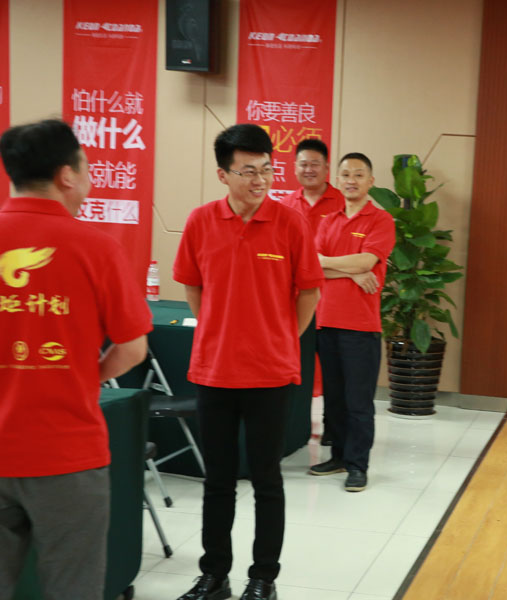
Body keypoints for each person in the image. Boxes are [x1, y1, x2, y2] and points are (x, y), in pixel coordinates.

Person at [0, 119, 151, 599]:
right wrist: (87, 377)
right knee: (72, 588)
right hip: (67, 453)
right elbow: (133, 348)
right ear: (67, 174)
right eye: (86, 165)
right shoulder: (97, 248)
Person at [173, 124, 322, 600]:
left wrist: (279, 338)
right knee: (217, 481)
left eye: (267, 170)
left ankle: (263, 578)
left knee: (266, 481)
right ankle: (214, 575)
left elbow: (309, 291)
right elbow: (192, 285)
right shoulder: (200, 221)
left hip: (270, 373)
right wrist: (219, 329)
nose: (260, 180)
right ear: (223, 174)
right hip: (214, 371)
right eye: (248, 171)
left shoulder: (290, 222)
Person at [307, 152, 395, 492]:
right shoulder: (328, 220)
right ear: (337, 180)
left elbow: (367, 261)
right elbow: (313, 265)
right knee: (334, 399)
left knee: (358, 403)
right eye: (345, 174)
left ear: (370, 181)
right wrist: (352, 271)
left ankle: (358, 466)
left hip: (361, 326)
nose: (351, 180)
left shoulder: (380, 220)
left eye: (358, 175)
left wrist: (348, 266)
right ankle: (339, 457)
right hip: (326, 322)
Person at [281, 138, 346, 445]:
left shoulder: (342, 202)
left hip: (335, 300)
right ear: (294, 167)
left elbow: (348, 256)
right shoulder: (285, 205)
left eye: (315, 164)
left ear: (327, 168)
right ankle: (294, 426)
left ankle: (334, 429)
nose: (309, 170)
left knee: (333, 369)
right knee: (295, 364)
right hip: (296, 300)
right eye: (303, 164)